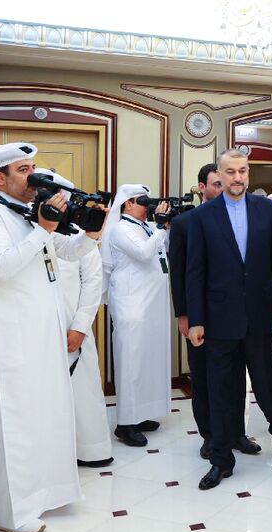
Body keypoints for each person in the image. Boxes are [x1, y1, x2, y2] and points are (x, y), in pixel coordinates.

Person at [0, 142, 104, 532]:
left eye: (33, 168)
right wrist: (43, 230)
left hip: (39, 334)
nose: (33, 178)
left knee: (44, 416)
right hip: (8, 339)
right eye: (22, 170)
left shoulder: (21, 214)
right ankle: (9, 512)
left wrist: (92, 235)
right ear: (0, 178)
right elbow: (2, 266)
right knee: (12, 423)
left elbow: (64, 252)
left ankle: (44, 494)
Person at [187, 149, 272, 491]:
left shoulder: (267, 209)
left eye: (243, 171)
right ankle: (221, 459)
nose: (237, 178)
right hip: (219, 322)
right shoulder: (204, 216)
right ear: (220, 174)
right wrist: (196, 320)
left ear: (249, 174)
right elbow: (195, 272)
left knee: (268, 385)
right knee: (220, 391)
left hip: (260, 317)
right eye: (231, 172)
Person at [169, 163, 261, 459]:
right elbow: (182, 273)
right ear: (203, 188)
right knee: (205, 378)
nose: (224, 187)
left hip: (234, 316)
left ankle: (236, 432)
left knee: (235, 378)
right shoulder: (187, 222)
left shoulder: (242, 217)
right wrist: (184, 315)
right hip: (200, 316)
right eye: (217, 183)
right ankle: (210, 436)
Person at [34, 168, 112, 468]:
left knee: (83, 392)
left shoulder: (79, 237)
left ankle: (89, 450)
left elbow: (93, 283)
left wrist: (79, 328)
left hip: (74, 330)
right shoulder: (30, 235)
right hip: (38, 330)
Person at [102, 184, 172, 447]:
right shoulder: (121, 229)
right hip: (132, 305)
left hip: (150, 305)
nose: (148, 206)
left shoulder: (143, 227)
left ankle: (140, 414)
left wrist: (160, 228)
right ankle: (125, 424)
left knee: (147, 360)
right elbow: (143, 254)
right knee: (131, 363)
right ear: (127, 204)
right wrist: (159, 227)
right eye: (142, 201)